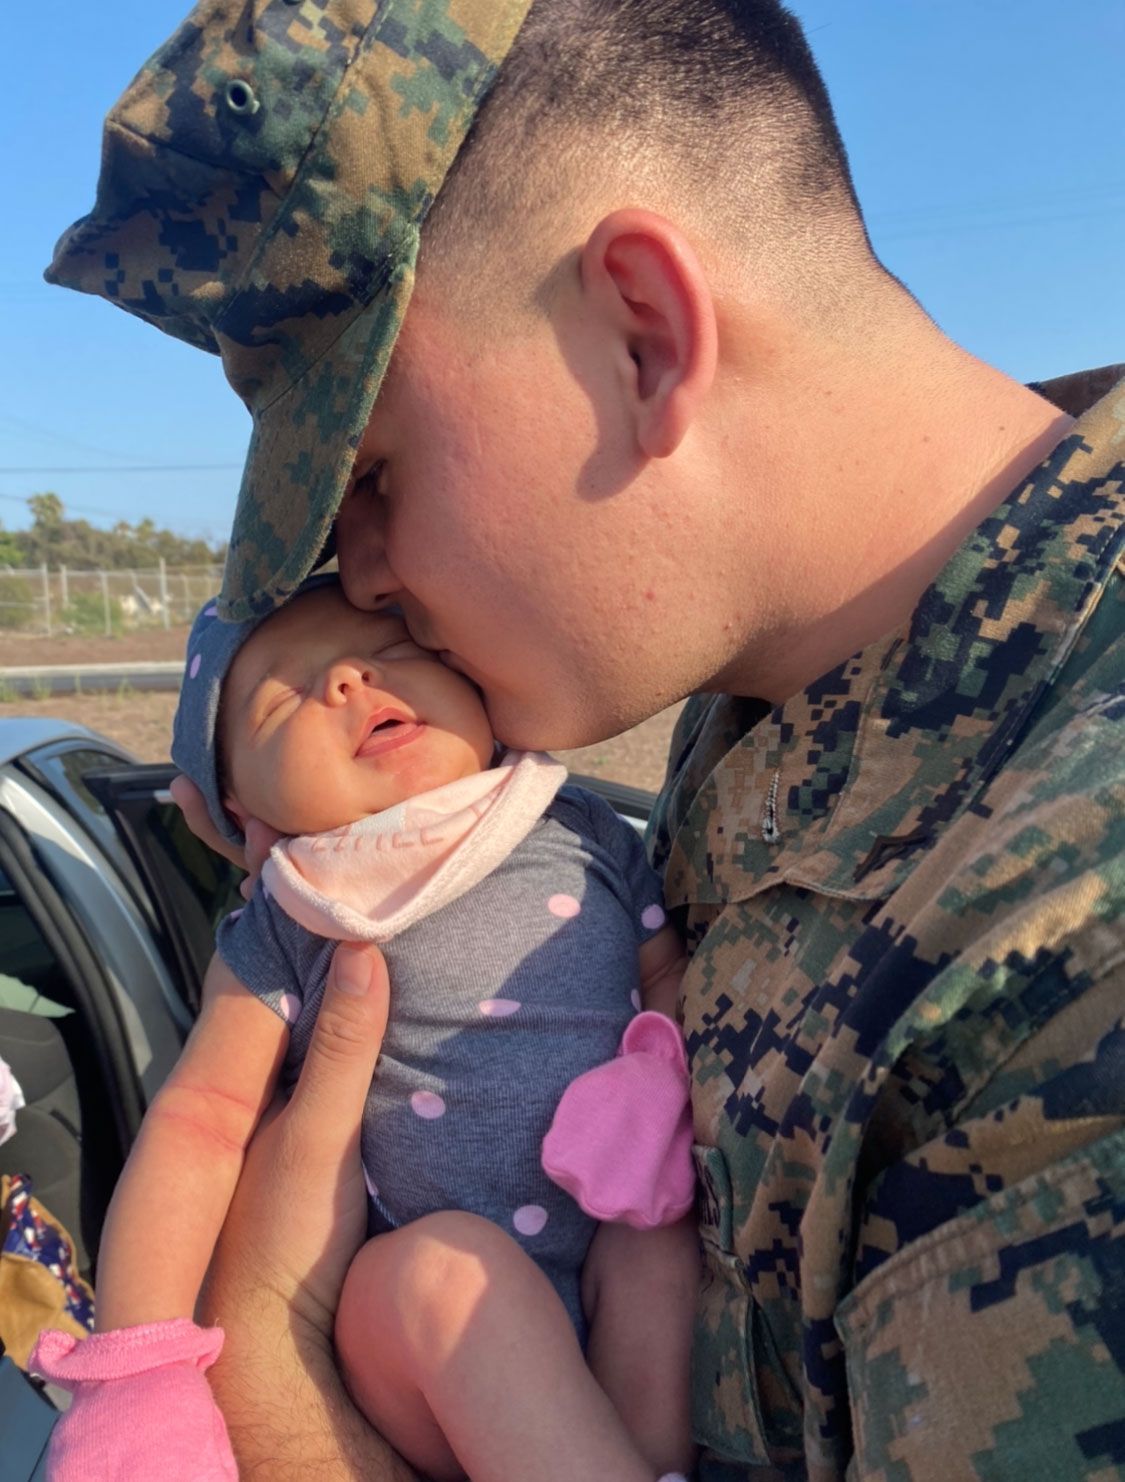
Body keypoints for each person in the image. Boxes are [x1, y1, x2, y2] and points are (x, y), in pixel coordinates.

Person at [41, 1, 1124, 1477]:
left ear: (644, 334)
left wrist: (286, 1396)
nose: (355, 579)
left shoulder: (1072, 933)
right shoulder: (761, 701)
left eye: (371, 474)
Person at [33, 576, 698, 1482]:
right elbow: (199, 1123)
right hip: (414, 1324)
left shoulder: (573, 822)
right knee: (445, 1272)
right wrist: (141, 1368)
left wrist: (655, 1091)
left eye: (396, 652)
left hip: (615, 1234)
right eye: (282, 698)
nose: (349, 679)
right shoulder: (295, 910)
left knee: (657, 1241)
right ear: (242, 814)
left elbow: (665, 982)